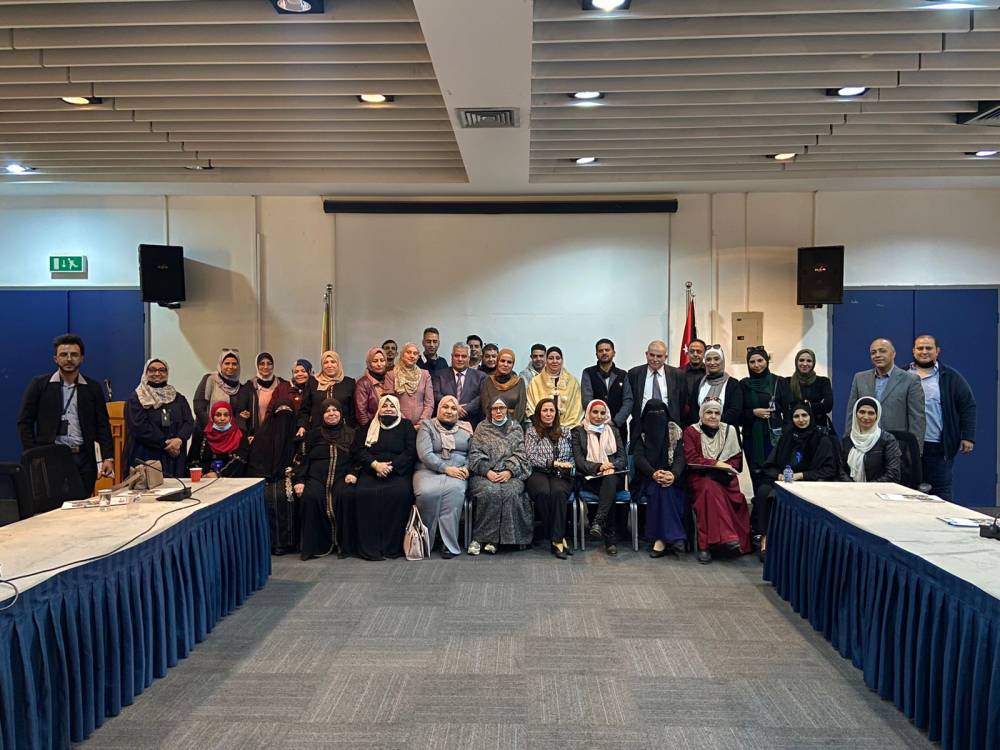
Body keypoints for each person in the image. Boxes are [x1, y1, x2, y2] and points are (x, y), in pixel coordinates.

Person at [17, 334, 114, 497]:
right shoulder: (40, 385)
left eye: (74, 355)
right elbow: (24, 422)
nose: (69, 359)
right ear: (55, 359)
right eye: (64, 354)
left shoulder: (93, 388)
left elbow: (103, 425)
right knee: (52, 505)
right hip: (50, 456)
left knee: (82, 504)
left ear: (82, 358)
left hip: (84, 458)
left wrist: (108, 458)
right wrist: (33, 453)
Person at [750, 401, 838, 559]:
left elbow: (828, 469)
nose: (801, 419)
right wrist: (779, 476)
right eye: (796, 416)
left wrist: (800, 475)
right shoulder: (786, 438)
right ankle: (766, 538)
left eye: (804, 415)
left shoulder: (822, 439)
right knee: (764, 491)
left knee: (777, 495)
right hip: (785, 482)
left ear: (810, 417)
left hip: (809, 483)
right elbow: (769, 465)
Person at [338, 395, 417, 560]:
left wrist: (390, 467)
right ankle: (370, 547)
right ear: (379, 409)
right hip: (371, 470)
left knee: (400, 494)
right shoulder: (368, 427)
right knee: (364, 494)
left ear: (398, 409)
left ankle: (391, 547)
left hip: (397, 472)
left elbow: (410, 452)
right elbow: (358, 450)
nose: (388, 409)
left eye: (392, 406)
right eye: (384, 406)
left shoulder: (406, 426)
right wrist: (375, 465)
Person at [909, 335, 976, 501]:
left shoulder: (950, 377)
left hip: (937, 447)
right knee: (907, 492)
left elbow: (968, 405)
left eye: (929, 348)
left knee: (941, 494)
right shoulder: (902, 374)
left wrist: (968, 436)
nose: (924, 351)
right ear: (913, 351)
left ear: (937, 351)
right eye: (920, 348)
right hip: (907, 446)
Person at [683, 398, 751, 564]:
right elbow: (691, 459)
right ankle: (710, 544)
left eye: (717, 413)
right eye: (709, 412)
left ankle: (714, 543)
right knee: (709, 489)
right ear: (701, 414)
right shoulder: (691, 431)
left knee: (726, 494)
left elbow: (736, 459)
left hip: (725, 478)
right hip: (700, 477)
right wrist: (716, 464)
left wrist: (722, 469)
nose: (713, 416)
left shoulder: (729, 430)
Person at [466, 398, 533, 555]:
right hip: (484, 475)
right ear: (490, 411)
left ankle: (505, 540)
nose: (498, 411)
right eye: (494, 408)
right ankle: (481, 539)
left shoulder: (515, 427)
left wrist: (509, 471)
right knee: (491, 491)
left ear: (507, 410)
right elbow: (474, 453)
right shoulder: (482, 427)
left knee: (510, 492)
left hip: (511, 474)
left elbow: (521, 454)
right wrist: (487, 471)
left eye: (501, 408)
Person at [294, 398, 356, 561]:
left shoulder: (351, 433)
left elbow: (357, 458)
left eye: (335, 410)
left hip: (342, 477)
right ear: (321, 415)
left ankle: (344, 545)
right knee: (310, 497)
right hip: (316, 478)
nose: (331, 413)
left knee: (346, 495)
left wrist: (353, 473)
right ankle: (315, 546)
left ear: (341, 413)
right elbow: (302, 460)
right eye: (327, 411)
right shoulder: (312, 435)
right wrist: (299, 481)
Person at [414, 395, 472, 559]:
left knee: (455, 492)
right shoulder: (427, 426)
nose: (449, 411)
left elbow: (472, 453)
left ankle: (448, 542)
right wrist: (446, 469)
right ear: (438, 409)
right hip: (428, 470)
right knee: (427, 493)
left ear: (458, 412)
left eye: (453, 408)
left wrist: (467, 468)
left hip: (458, 471)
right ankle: (426, 540)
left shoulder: (466, 428)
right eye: (445, 407)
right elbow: (425, 454)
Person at [845, 338, 925, 452]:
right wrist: (848, 443)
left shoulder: (910, 380)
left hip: (897, 447)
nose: (877, 355)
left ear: (893, 353)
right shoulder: (860, 378)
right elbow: (851, 414)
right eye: (873, 352)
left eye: (882, 351)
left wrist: (915, 452)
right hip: (864, 446)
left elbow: (917, 420)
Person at [572, 399, 628, 556]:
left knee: (609, 481)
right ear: (588, 413)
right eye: (595, 412)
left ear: (607, 415)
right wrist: (599, 467)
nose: (598, 416)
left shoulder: (613, 431)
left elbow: (622, 458)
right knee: (608, 490)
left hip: (612, 475)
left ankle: (597, 521)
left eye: (602, 413)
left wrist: (611, 466)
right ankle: (610, 539)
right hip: (590, 477)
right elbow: (579, 461)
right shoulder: (579, 432)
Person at [633, 399, 687, 559]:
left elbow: (680, 457)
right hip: (647, 478)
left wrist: (673, 474)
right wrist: (653, 473)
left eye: (660, 413)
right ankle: (675, 537)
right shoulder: (641, 433)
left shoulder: (675, 432)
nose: (657, 417)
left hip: (673, 478)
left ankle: (661, 539)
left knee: (666, 488)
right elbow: (639, 458)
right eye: (652, 414)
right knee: (661, 489)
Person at [124, 358, 194, 479]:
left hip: (175, 456)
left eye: (162, 370)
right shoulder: (137, 398)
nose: (157, 373)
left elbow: (189, 422)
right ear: (146, 372)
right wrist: (165, 444)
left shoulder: (178, 398)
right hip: (147, 455)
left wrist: (179, 439)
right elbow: (139, 427)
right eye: (152, 370)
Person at [246, 398, 300, 556]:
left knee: (284, 496)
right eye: (280, 411)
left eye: (287, 412)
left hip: (290, 476)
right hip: (266, 477)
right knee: (268, 496)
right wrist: (265, 475)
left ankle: (288, 542)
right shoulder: (262, 436)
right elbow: (255, 462)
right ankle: (269, 542)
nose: (283, 416)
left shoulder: (298, 435)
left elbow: (302, 459)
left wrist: (293, 471)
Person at [523, 398, 574, 559]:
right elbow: (530, 457)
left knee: (558, 492)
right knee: (543, 492)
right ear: (539, 413)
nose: (548, 413)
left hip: (561, 473)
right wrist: (552, 463)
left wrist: (568, 465)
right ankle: (558, 537)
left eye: (551, 410)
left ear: (556, 413)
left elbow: (573, 455)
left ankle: (556, 540)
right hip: (538, 471)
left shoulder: (565, 431)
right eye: (545, 410)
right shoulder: (532, 432)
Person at [740, 346, 789, 496]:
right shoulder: (743, 385)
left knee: (775, 476)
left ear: (767, 361)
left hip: (775, 439)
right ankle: (759, 507)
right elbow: (738, 413)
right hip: (752, 439)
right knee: (757, 476)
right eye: (752, 362)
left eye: (760, 360)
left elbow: (789, 411)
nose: (756, 365)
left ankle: (774, 508)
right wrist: (753, 413)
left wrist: (787, 436)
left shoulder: (779, 382)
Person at [624, 339, 686, 443]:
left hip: (669, 427)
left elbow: (681, 402)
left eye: (659, 356)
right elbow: (630, 400)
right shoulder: (634, 373)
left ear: (665, 357)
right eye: (652, 355)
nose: (655, 359)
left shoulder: (677, 375)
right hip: (641, 427)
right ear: (646, 354)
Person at [189, 348, 241, 461]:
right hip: (207, 433)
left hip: (228, 436)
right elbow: (199, 407)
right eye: (227, 363)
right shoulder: (210, 379)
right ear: (220, 364)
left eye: (234, 364)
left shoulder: (239, 387)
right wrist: (213, 428)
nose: (230, 367)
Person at [840, 397, 902, 484]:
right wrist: (853, 487)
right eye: (862, 412)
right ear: (855, 414)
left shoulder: (888, 440)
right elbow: (840, 471)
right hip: (851, 489)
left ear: (877, 416)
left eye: (871, 413)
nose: (866, 417)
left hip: (879, 490)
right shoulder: (847, 440)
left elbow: (893, 474)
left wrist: (867, 488)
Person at [581, 338, 630, 442]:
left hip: (618, 428)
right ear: (596, 354)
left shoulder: (622, 374)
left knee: (619, 453)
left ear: (614, 353)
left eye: (607, 350)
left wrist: (615, 421)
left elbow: (628, 401)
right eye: (601, 350)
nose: (604, 353)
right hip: (594, 428)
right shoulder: (588, 373)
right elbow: (587, 400)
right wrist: (599, 419)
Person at [234, 352, 293, 438]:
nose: (266, 367)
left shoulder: (283, 385)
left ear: (273, 366)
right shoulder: (249, 387)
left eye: (269, 364)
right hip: (255, 435)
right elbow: (240, 413)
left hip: (278, 435)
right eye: (262, 364)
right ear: (257, 366)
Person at [526, 346, 583, 428]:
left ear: (562, 360)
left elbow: (577, 407)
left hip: (569, 428)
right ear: (546, 360)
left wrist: (566, 427)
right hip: (541, 428)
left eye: (558, 358)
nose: (554, 361)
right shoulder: (535, 382)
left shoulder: (572, 382)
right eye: (551, 358)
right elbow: (531, 407)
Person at [432, 342, 486, 427]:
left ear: (469, 358)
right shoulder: (439, 375)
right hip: (444, 423)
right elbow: (436, 394)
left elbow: (481, 397)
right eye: (457, 356)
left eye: (464, 356)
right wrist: (454, 407)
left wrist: (465, 408)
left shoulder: (480, 376)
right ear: (452, 357)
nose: (460, 359)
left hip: (470, 422)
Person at [300, 350, 357, 431]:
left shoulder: (349, 383)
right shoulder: (313, 382)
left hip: (342, 431)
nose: (329, 365)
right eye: (326, 362)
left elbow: (353, 411)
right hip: (317, 430)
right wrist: (302, 426)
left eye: (333, 362)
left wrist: (352, 430)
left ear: (338, 364)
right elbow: (305, 408)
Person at [688, 345, 742, 428]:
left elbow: (735, 410)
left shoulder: (733, 384)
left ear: (722, 361)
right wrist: (703, 427)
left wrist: (712, 424)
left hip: (725, 431)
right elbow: (693, 410)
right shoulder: (699, 383)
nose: (712, 363)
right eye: (708, 359)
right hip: (701, 431)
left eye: (716, 359)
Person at [383, 342, 434, 427]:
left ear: (418, 357)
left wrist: (421, 423)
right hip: (398, 423)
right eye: (408, 352)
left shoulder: (425, 375)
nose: (412, 356)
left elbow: (429, 403)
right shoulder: (391, 375)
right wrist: (405, 424)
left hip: (421, 426)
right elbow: (390, 403)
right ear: (402, 355)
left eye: (415, 353)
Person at [787, 348, 834, 432]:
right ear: (796, 362)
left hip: (818, 428)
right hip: (794, 429)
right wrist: (814, 406)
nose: (805, 364)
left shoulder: (823, 382)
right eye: (801, 360)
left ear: (813, 363)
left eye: (809, 361)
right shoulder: (787, 382)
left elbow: (828, 406)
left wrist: (798, 406)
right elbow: (786, 407)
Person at [198, 401, 249, 477]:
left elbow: (240, 460)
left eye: (226, 415)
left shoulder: (240, 435)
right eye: (218, 415)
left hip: (233, 479)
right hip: (206, 479)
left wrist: (218, 474)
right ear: (212, 416)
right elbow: (195, 460)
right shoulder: (204, 435)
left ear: (230, 417)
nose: (222, 418)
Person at [480, 348, 527, 424]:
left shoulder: (519, 382)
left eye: (509, 362)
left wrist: (512, 425)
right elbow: (486, 408)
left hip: (514, 425)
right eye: (502, 361)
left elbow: (521, 408)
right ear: (497, 362)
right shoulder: (488, 381)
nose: (505, 364)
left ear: (512, 365)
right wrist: (496, 424)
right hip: (491, 425)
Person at [354, 347, 388, 428]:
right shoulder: (362, 383)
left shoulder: (389, 379)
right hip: (371, 428)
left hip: (389, 426)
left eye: (382, 360)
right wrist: (369, 429)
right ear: (369, 363)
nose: (379, 364)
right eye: (375, 361)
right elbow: (361, 413)